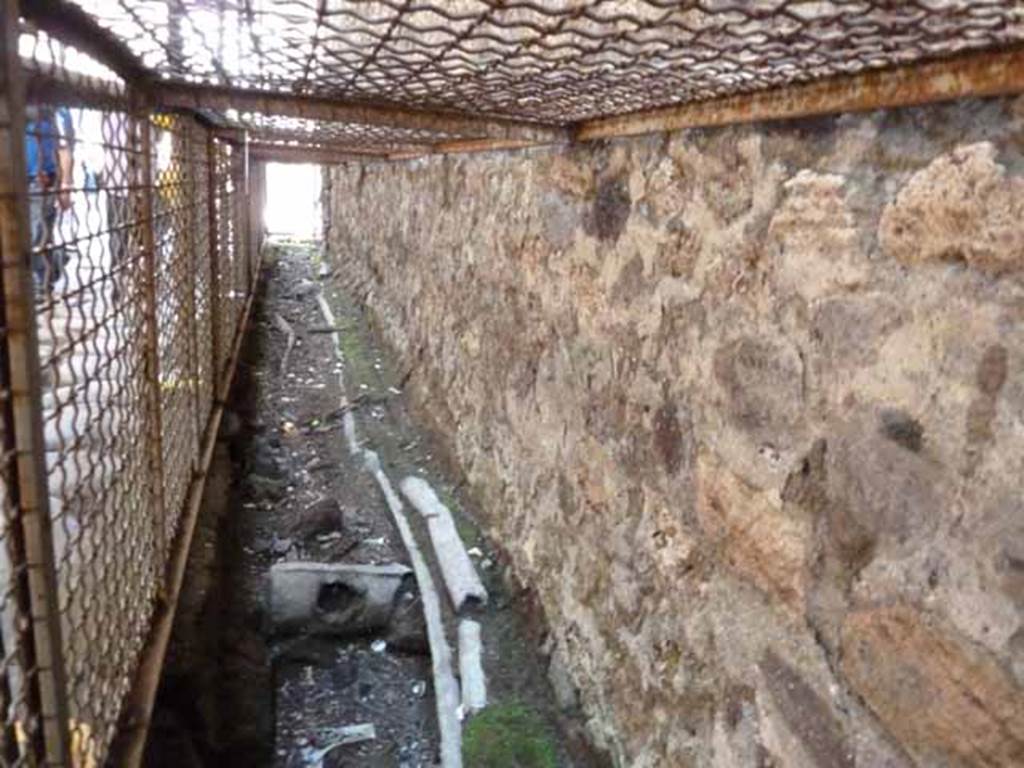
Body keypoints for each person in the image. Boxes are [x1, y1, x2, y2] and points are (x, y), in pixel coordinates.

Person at [25, 105, 74, 293]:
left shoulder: (57, 111)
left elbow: (64, 149)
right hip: (18, 177)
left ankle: (40, 282)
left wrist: (65, 185)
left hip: (41, 179)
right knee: (37, 233)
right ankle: (47, 272)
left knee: (38, 233)